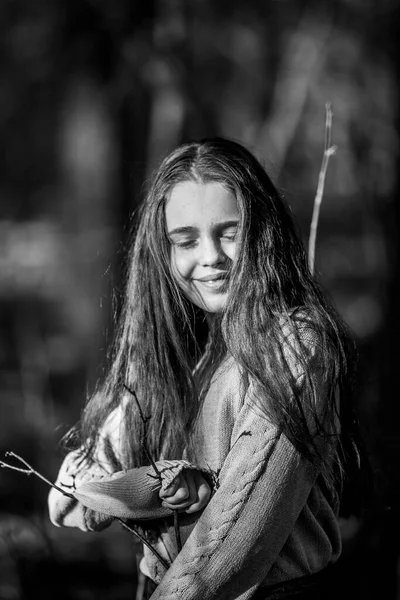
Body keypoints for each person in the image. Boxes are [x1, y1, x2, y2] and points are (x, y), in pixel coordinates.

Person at [48, 137, 366, 599]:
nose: (212, 256)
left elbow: (231, 544)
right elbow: (67, 497)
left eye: (230, 233)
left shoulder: (295, 347)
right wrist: (156, 487)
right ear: (164, 251)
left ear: (263, 231)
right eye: (186, 240)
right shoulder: (170, 352)